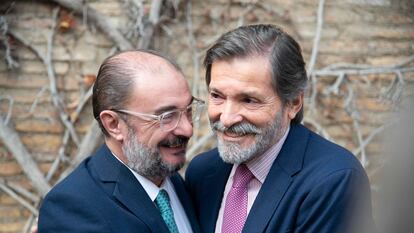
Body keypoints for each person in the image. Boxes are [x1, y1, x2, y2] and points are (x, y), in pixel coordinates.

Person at [185, 24, 374, 233]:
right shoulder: (202, 173)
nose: (227, 118)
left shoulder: (333, 180)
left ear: (293, 103)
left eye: (249, 100)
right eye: (217, 96)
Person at [39, 50, 203, 233]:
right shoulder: (72, 208)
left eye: (188, 110)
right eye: (166, 116)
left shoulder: (172, 178)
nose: (188, 129)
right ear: (114, 124)